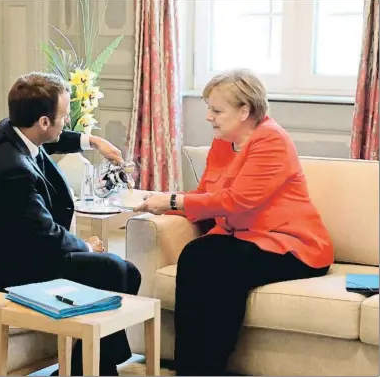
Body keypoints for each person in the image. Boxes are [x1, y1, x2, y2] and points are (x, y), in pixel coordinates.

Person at [134, 69, 334, 376]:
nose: (208, 117)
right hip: (244, 239)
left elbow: (238, 200)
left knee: (212, 260)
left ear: (245, 110)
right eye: (208, 108)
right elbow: (205, 195)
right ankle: (189, 367)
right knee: (201, 256)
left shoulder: (271, 140)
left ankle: (203, 368)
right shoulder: (224, 142)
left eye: (216, 110)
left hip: (292, 245)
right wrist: (157, 203)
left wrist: (173, 201)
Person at [0, 71, 141, 376]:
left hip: (26, 250)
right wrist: (87, 245)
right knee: (115, 270)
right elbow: (45, 234)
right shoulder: (12, 169)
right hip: (8, 268)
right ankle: (92, 367)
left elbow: (52, 142)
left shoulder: (11, 130)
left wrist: (92, 140)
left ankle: (90, 367)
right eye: (62, 116)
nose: (65, 122)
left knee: (123, 271)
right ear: (44, 122)